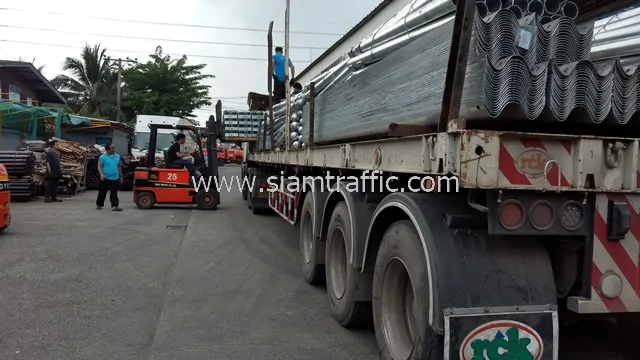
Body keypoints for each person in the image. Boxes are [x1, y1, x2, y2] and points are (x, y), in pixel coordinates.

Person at [96, 143, 123, 211]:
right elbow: (99, 166)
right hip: (105, 177)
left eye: (114, 147)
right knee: (102, 192)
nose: (114, 149)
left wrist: (121, 176)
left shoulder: (117, 156)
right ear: (108, 150)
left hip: (115, 177)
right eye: (112, 148)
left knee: (114, 193)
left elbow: (119, 166)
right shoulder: (102, 157)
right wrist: (101, 174)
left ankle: (114, 206)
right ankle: (99, 204)